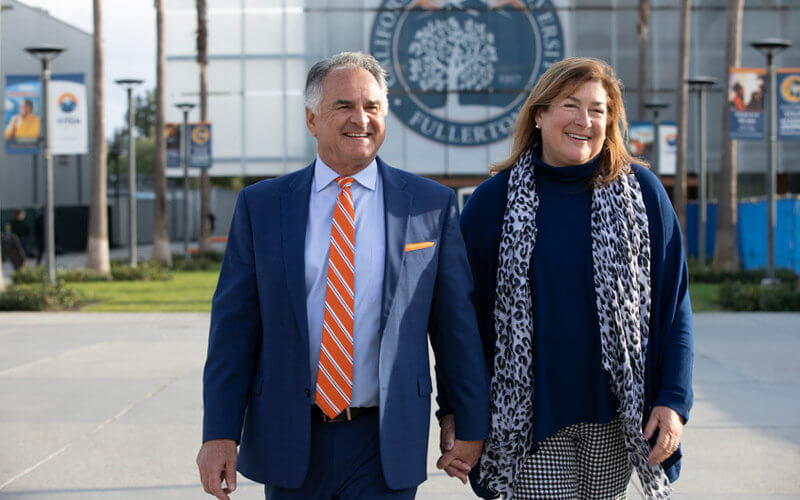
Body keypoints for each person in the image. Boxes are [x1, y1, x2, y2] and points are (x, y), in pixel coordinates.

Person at [196, 51, 490, 500]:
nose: (361, 119)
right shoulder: (262, 206)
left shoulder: (429, 205)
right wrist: (219, 432)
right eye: (344, 107)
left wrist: (466, 419)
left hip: (385, 439)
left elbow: (455, 327)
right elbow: (233, 330)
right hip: (291, 435)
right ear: (312, 119)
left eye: (372, 107)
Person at [459, 58, 693, 499]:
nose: (585, 121)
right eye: (570, 105)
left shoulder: (643, 195)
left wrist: (674, 399)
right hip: (525, 422)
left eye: (598, 109)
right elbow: (461, 324)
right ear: (540, 114)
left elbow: (674, 306)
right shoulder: (493, 203)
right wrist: (460, 413)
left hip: (616, 418)